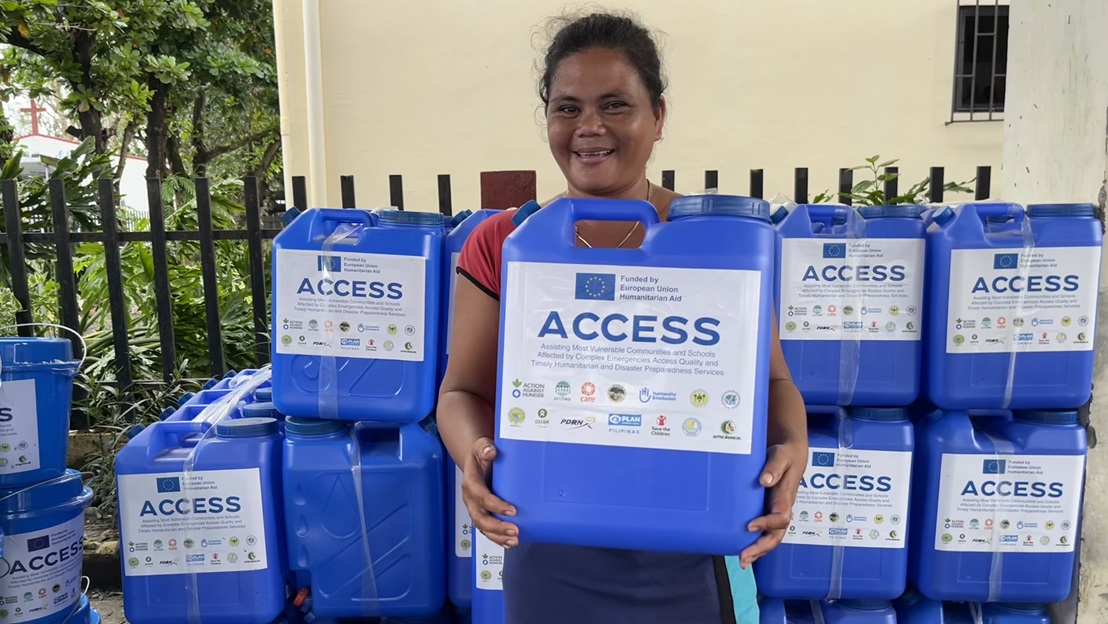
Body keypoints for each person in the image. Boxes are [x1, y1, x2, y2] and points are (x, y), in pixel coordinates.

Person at [437, 11, 808, 623]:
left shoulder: (719, 244)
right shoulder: (505, 242)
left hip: (697, 549)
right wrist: (471, 460)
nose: (589, 128)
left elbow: (771, 382)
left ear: (657, 116)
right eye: (567, 107)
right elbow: (461, 390)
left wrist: (793, 446)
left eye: (615, 105)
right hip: (551, 542)